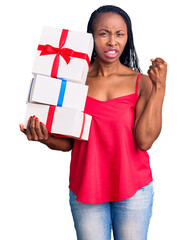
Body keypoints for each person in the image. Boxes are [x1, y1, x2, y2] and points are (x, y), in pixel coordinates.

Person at [20, 5, 167, 240]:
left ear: (127, 38)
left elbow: (145, 141)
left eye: (120, 34)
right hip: (87, 187)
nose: (112, 41)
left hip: (133, 189)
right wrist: (45, 137)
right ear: (91, 37)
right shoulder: (73, 80)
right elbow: (69, 143)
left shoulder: (143, 82)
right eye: (103, 33)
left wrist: (159, 87)